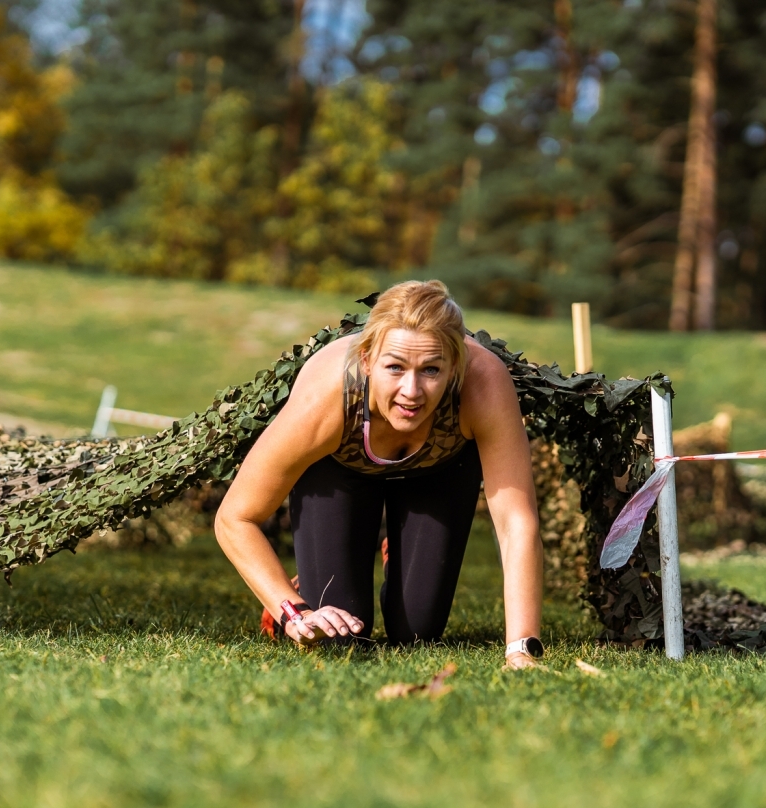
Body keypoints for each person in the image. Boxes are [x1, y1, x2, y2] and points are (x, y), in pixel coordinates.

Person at [214, 280, 545, 668]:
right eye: (394, 367)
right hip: (338, 469)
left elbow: (516, 522)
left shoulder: (484, 384)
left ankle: (398, 553)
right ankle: (305, 580)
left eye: (431, 370)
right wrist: (294, 613)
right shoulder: (328, 395)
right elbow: (235, 517)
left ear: (456, 366)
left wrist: (521, 649)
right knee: (342, 637)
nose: (412, 391)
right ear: (368, 359)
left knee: (417, 633)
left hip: (439, 470)